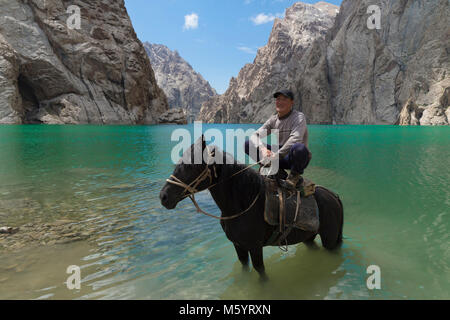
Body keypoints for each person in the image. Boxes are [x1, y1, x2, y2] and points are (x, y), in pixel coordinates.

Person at [244, 90, 311, 189]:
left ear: (292, 102)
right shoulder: (273, 120)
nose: (280, 102)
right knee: (247, 144)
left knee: (299, 148)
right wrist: (263, 149)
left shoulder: (299, 117)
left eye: (284, 99)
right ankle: (272, 168)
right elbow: (254, 135)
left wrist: (277, 155)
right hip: (277, 156)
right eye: (278, 99)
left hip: (294, 157)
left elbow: (295, 138)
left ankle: (294, 176)